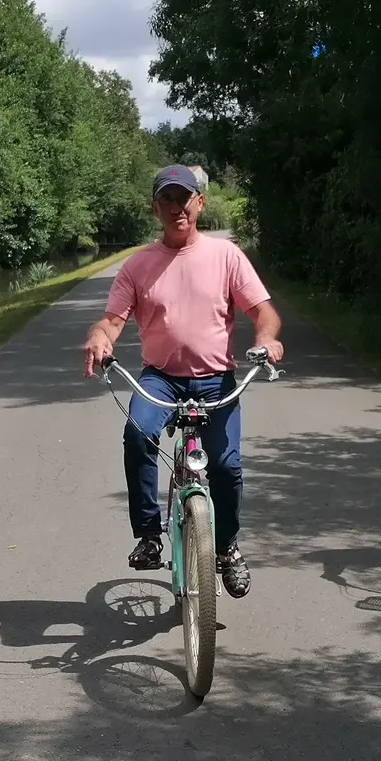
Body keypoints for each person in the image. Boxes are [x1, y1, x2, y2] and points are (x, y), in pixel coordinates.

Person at [80, 164, 283, 598]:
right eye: (167, 200)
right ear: (155, 208)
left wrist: (266, 338)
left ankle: (226, 547)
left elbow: (262, 311)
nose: (177, 208)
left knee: (226, 467)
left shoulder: (225, 257)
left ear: (200, 203)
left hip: (217, 380)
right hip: (160, 379)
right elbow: (112, 321)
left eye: (184, 199)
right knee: (138, 432)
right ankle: (150, 536)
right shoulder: (138, 266)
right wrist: (99, 338)